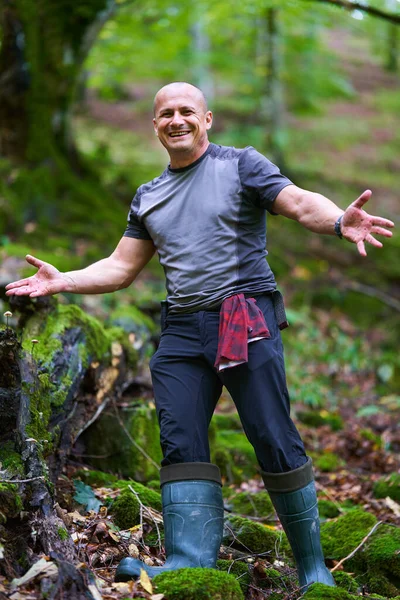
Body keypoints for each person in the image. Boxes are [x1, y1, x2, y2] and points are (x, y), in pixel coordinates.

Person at [6, 82, 394, 589]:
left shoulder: (242, 165)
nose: (176, 120)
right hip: (183, 334)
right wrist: (64, 281)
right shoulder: (149, 196)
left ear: (206, 119)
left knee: (274, 439)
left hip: (244, 320)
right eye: (165, 113)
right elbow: (121, 268)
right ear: (155, 126)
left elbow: (298, 203)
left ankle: (313, 569)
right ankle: (190, 564)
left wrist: (340, 221)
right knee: (180, 439)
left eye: (187, 110)